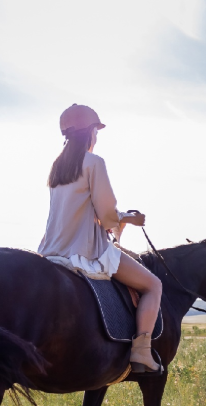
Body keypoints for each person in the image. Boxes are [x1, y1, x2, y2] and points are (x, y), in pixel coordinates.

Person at [38, 104, 164, 373]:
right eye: (96, 130)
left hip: (51, 250)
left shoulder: (57, 168)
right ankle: (141, 352)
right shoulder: (94, 163)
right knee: (153, 285)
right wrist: (130, 219)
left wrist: (121, 217)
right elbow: (107, 217)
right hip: (86, 249)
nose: (97, 136)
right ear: (90, 132)